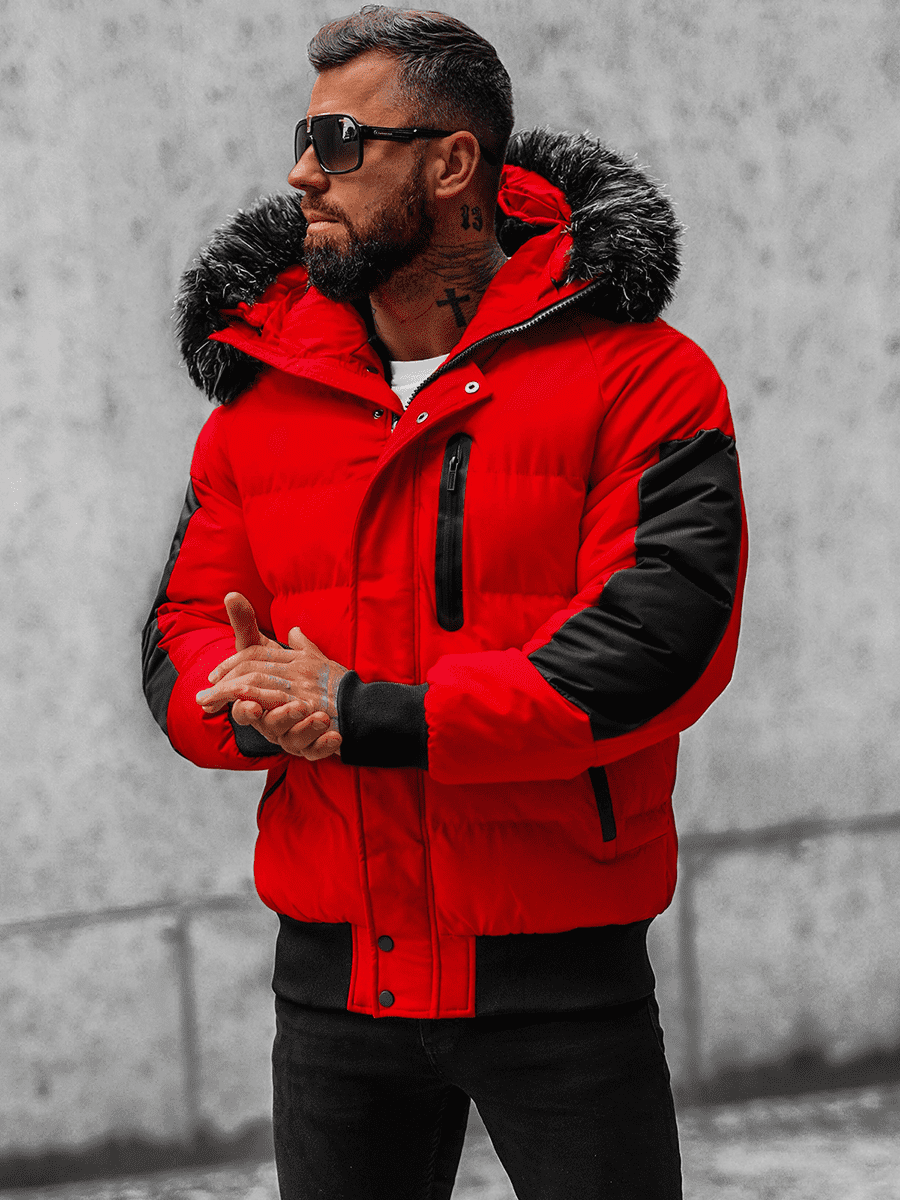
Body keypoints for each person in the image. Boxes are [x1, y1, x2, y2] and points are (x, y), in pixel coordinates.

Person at [142, 7, 747, 1198]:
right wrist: (258, 704)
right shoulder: (263, 399)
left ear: (454, 162)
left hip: (559, 982)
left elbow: (654, 647)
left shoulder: (644, 380)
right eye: (302, 138)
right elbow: (182, 634)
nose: (302, 173)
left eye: (338, 141)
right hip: (334, 985)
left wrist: (367, 715)